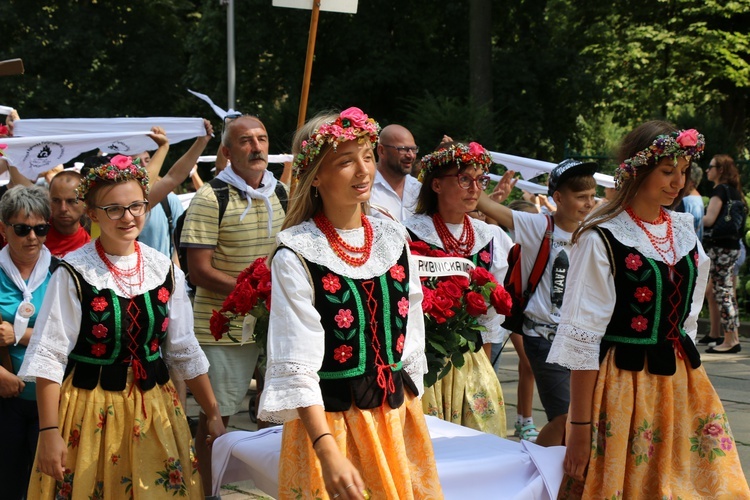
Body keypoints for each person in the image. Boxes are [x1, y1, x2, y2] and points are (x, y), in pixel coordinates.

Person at [549, 122, 750, 499]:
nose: (679, 182)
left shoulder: (684, 228)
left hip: (681, 382)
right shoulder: (601, 237)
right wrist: (578, 426)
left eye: (684, 171)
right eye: (667, 171)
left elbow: (687, 317)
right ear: (636, 170)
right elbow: (582, 338)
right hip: (625, 384)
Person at [258, 108, 442, 500]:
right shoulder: (297, 252)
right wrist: (327, 451)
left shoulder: (393, 238)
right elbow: (296, 360)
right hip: (330, 425)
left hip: (395, 418)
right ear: (316, 177)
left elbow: (411, 333)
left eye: (368, 156)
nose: (363, 171)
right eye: (345, 161)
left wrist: (411, 412)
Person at [18, 155, 226, 498]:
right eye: (114, 209)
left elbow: (184, 348)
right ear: (94, 213)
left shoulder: (163, 267)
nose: (127, 217)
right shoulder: (73, 271)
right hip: (89, 409)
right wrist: (50, 431)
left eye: (135, 206)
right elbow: (49, 356)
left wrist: (213, 411)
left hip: (155, 408)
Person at [179, 114, 287, 497]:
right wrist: (253, 292)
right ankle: (210, 493)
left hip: (272, 322)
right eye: (245, 140)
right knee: (216, 417)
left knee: (276, 413)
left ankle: (267, 487)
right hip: (220, 327)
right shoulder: (211, 198)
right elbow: (199, 271)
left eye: (261, 138)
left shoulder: (283, 193)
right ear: (226, 151)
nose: (256, 146)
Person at [477, 158, 598, 446]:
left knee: (584, 418)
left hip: (582, 339)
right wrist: (468, 167)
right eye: (581, 197)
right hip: (543, 338)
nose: (588, 204)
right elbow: (488, 207)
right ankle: (532, 470)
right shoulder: (538, 226)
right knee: (565, 418)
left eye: (592, 197)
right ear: (557, 198)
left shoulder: (595, 231)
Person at [403, 141, 512, 437]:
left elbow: (491, 317)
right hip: (422, 360)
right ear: (436, 185)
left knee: (478, 441)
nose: (475, 188)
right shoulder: (407, 232)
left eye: (480, 180)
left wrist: (484, 370)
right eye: (464, 179)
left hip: (471, 359)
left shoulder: (490, 237)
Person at [0, 186, 54, 499]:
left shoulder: (62, 272)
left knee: (46, 489)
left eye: (40, 229)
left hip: (53, 399)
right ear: (3, 229)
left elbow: (73, 336)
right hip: (4, 400)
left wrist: (20, 335)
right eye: (21, 229)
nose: (32, 237)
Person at [701, 154, 746, 354]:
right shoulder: (736, 192)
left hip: (720, 247)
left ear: (720, 170)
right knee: (726, 292)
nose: (707, 170)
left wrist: (691, 219)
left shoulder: (720, 190)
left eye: (710, 167)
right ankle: (732, 337)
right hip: (733, 245)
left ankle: (730, 340)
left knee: (723, 293)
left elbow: (709, 220)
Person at [369, 124, 421, 221]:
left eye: (413, 149)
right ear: (381, 151)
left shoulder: (419, 189)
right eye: (403, 149)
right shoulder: (365, 189)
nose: (410, 155)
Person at [45, 170, 91, 257]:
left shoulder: (91, 243)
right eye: (56, 200)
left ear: (86, 203)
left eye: (71, 201)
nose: (63, 208)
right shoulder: (33, 233)